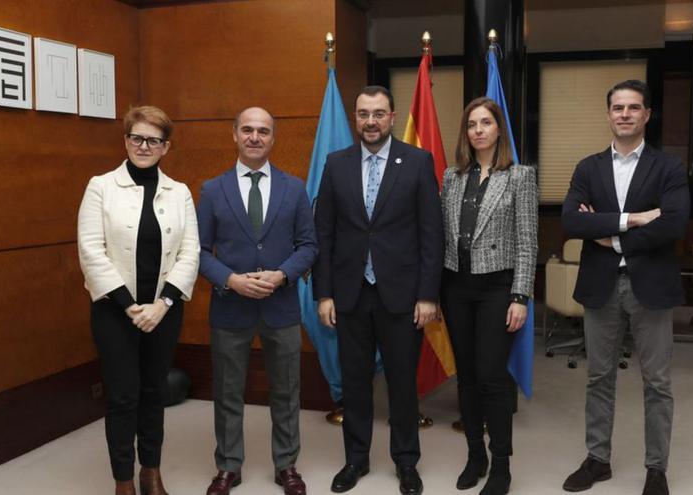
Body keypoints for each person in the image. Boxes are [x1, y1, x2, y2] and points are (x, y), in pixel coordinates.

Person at [560, 80, 689, 495]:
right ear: (609, 114)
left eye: (634, 107)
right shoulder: (587, 167)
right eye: (618, 107)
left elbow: (674, 223)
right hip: (601, 286)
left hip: (650, 286)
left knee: (657, 382)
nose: (625, 114)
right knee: (599, 377)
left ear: (647, 114)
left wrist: (608, 234)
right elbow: (572, 221)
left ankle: (656, 468)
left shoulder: (668, 167)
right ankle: (598, 460)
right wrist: (632, 220)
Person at [313, 85, 443, 495]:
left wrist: (427, 295)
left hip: (402, 296)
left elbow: (431, 234)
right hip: (350, 294)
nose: (371, 121)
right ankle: (356, 460)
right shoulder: (336, 164)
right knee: (354, 382)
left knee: (403, 383)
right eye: (363, 113)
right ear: (356, 117)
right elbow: (324, 233)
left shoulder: (418, 162)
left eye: (379, 113)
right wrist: (324, 293)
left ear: (392, 116)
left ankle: (406, 463)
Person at [77, 105, 200, 495]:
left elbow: (190, 253)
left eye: (154, 140)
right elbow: (91, 251)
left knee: (154, 392)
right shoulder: (100, 186)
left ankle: (151, 472)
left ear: (166, 147)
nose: (144, 146)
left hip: (163, 312)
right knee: (122, 396)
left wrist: (161, 305)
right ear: (126, 140)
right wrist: (131, 306)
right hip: (116, 312)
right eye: (137, 138)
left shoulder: (178, 192)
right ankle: (124, 480)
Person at [197, 107, 317, 495]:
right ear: (234, 134)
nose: (254, 137)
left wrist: (282, 274)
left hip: (280, 306)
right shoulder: (212, 190)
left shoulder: (294, 188)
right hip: (230, 307)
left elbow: (309, 245)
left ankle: (287, 465)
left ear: (273, 137)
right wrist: (230, 280)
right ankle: (228, 466)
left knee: (286, 391)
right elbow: (197, 251)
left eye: (263, 131)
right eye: (247, 130)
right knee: (228, 391)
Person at [439, 97, 537, 495]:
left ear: (499, 129)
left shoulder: (519, 176)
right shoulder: (451, 177)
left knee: (492, 376)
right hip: (456, 287)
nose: (478, 130)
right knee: (466, 376)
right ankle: (474, 454)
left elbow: (528, 241)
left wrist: (521, 296)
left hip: (499, 288)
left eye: (486, 122)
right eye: (471, 124)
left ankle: (501, 466)